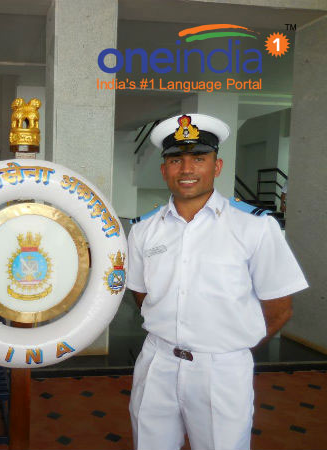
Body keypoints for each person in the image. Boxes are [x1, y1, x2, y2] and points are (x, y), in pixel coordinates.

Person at [126, 113, 308, 450]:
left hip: (222, 370)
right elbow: (141, 294)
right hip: (156, 362)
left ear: (217, 166)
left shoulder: (255, 226)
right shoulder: (142, 230)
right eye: (176, 160)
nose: (187, 169)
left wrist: (231, 345)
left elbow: (280, 308)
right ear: (164, 170)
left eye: (199, 158)